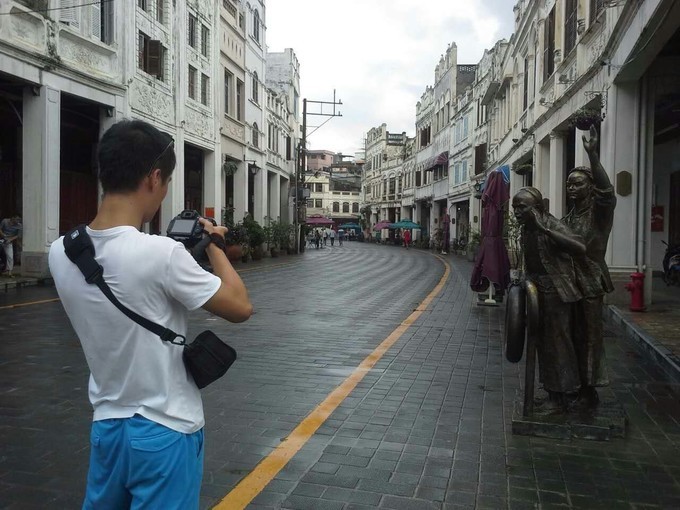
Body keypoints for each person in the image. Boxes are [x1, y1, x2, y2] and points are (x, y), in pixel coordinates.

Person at [48, 119, 253, 509]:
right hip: (166, 429)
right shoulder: (162, 253)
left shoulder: (62, 251)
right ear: (154, 177)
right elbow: (240, 307)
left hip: (107, 427)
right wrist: (215, 246)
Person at [512, 187, 586, 411]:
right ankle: (552, 392)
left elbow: (580, 247)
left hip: (556, 291)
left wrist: (545, 229)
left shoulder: (550, 224)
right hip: (537, 291)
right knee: (543, 344)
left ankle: (563, 395)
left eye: (521, 207)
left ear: (537, 208)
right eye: (515, 208)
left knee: (557, 343)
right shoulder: (526, 229)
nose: (516, 212)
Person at [562, 126, 616, 407]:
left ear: (589, 186)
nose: (572, 188)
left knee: (591, 337)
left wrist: (593, 156)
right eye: (569, 184)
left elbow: (607, 191)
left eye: (578, 183)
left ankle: (589, 389)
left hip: (592, 281)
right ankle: (574, 383)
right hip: (569, 284)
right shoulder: (569, 217)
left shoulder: (599, 212)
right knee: (572, 335)